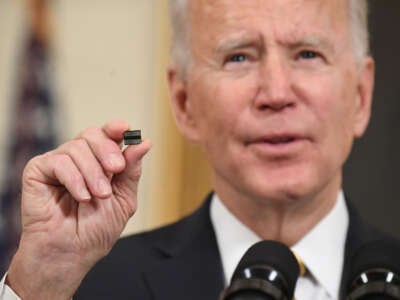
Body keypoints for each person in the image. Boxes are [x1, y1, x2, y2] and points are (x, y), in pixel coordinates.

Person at [0, 0, 396, 299]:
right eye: (238, 57)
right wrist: (42, 284)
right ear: (184, 101)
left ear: (361, 96)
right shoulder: (87, 287)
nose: (276, 94)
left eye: (308, 54)